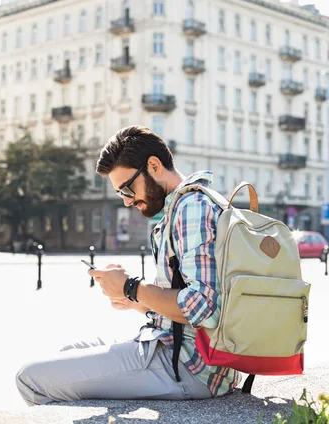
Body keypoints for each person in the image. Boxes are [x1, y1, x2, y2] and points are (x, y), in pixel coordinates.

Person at [16, 126, 240, 404]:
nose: (126, 201)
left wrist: (131, 287)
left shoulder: (192, 206)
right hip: (179, 353)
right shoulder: (182, 206)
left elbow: (202, 307)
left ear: (154, 166)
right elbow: (194, 305)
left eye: (127, 188)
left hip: (188, 367)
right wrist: (136, 301)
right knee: (66, 353)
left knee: (30, 378)